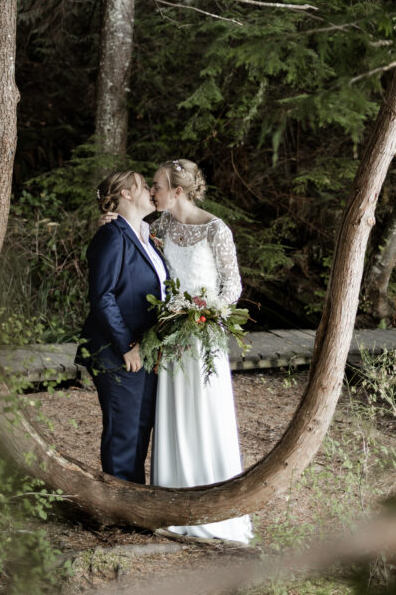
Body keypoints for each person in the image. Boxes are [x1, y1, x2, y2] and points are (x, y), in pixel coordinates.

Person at [148, 158, 252, 543]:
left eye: (156, 185)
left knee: (206, 409)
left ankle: (213, 505)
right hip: (170, 334)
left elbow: (232, 286)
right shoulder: (158, 227)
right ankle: (173, 501)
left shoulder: (215, 229)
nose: (151, 191)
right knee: (173, 410)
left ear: (178, 191)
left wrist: (203, 313)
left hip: (203, 334)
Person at [76, 170, 168, 484]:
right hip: (118, 351)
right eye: (144, 186)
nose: (150, 192)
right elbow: (102, 296)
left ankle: (132, 499)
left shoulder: (146, 233)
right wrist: (127, 345)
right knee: (123, 429)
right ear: (126, 194)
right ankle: (115, 505)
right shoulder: (112, 234)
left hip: (146, 349)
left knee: (141, 426)